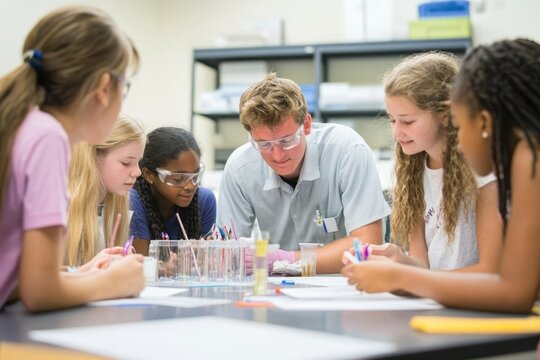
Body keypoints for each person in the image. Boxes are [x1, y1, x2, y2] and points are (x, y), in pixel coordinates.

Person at [342, 38, 540, 313]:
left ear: (483, 122)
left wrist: (402, 277)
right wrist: (402, 268)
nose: (458, 143)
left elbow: (514, 291)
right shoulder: (524, 161)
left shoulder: (529, 162)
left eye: (459, 125)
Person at [0, 6, 145, 312]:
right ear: (104, 88)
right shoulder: (47, 136)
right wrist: (115, 282)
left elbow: (15, 283)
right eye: (125, 87)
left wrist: (79, 277)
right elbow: (39, 292)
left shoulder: (21, 123)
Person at [343, 52, 502, 272]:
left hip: (474, 302)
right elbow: (422, 267)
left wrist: (409, 278)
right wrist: (397, 259)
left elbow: (490, 271)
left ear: (445, 114)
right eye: (392, 120)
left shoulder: (480, 168)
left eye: (407, 121)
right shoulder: (413, 172)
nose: (397, 132)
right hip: (436, 299)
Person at [218, 73, 390, 274]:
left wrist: (285, 260)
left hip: (344, 285)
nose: (277, 154)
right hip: (278, 289)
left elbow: (367, 245)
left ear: (306, 125)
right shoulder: (240, 168)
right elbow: (228, 253)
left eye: (286, 141)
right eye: (264, 144)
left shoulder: (347, 150)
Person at [64, 115, 145, 268]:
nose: (137, 172)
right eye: (126, 162)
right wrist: (88, 269)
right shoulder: (58, 209)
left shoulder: (115, 208)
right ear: (93, 158)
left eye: (138, 163)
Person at [130, 127, 216, 255]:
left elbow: (209, 258)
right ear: (149, 175)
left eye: (195, 176)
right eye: (178, 179)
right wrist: (163, 268)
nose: (190, 186)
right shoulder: (132, 201)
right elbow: (140, 264)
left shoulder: (204, 200)